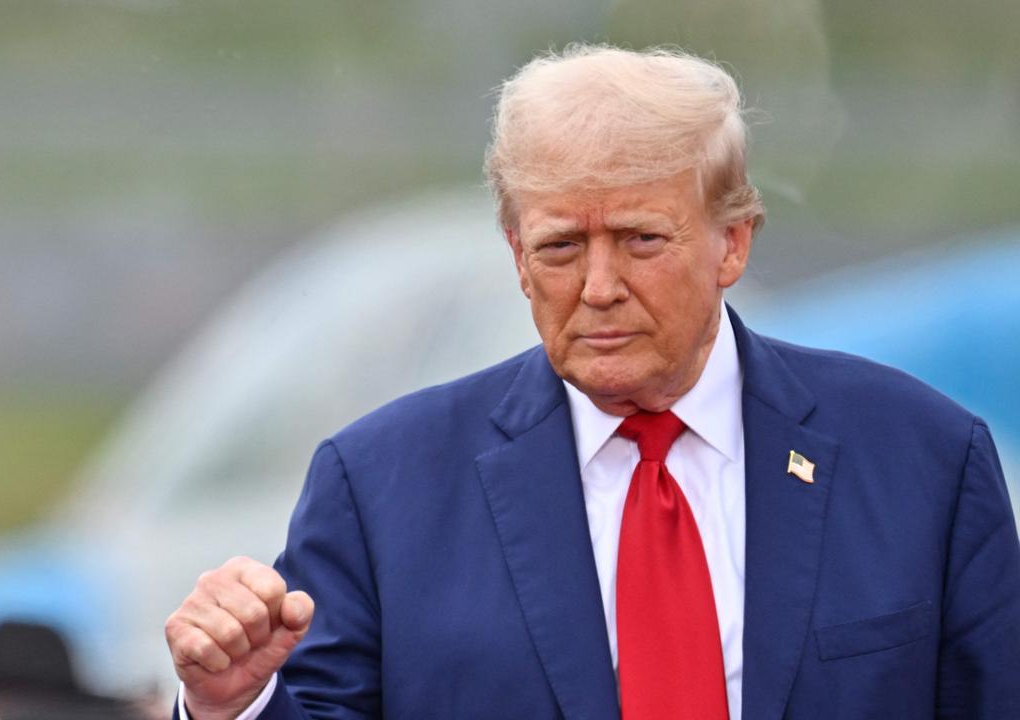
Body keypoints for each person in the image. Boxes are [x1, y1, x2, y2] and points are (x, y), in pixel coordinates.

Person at [163, 44, 1020, 720]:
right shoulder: (382, 487)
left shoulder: (924, 462)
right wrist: (235, 707)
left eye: (642, 241)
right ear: (517, 256)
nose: (599, 286)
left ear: (733, 242)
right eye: (562, 246)